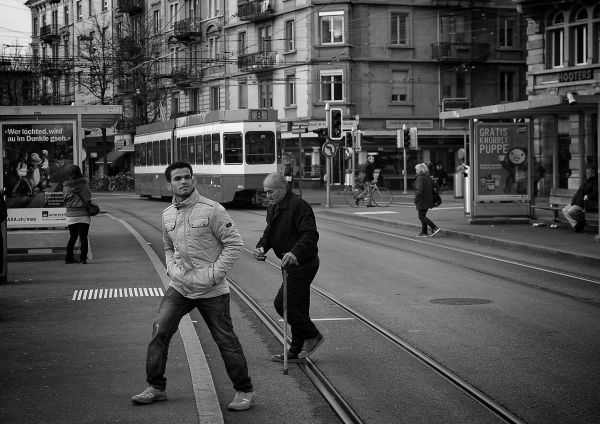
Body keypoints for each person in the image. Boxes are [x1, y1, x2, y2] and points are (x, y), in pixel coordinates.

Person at [131, 161, 254, 411]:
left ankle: (244, 391)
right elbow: (167, 246)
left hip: (211, 289)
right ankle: (156, 387)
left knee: (226, 341)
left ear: (193, 180)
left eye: (187, 177)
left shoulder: (212, 210)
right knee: (159, 331)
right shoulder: (167, 214)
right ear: (169, 184)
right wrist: (172, 270)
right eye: (177, 179)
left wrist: (213, 274)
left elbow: (234, 244)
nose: (183, 182)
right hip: (181, 286)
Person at [253, 173, 324, 362]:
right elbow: (269, 232)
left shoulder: (298, 206)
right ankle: (295, 350)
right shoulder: (273, 206)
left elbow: (310, 235)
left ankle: (312, 335)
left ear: (283, 189)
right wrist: (262, 247)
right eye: (265, 191)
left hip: (302, 263)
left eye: (271, 191)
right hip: (288, 264)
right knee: (298, 306)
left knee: (282, 304)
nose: (267, 195)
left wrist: (295, 252)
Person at [63, 165, 92, 264]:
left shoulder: (66, 186)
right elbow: (88, 198)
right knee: (83, 237)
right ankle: (83, 259)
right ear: (79, 173)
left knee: (73, 236)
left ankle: (68, 258)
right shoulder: (84, 184)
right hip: (83, 213)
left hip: (70, 214)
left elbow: (65, 199)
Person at [561, 166, 598, 233]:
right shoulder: (586, 181)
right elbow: (579, 192)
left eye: (588, 173)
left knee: (570, 211)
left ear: (593, 173)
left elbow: (595, 193)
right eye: (586, 173)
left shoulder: (595, 182)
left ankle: (581, 220)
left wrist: (587, 196)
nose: (586, 174)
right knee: (564, 210)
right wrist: (574, 200)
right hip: (577, 202)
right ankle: (576, 225)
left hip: (584, 203)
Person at [414, 162, 441, 238]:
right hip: (428, 199)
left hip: (422, 199)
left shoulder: (419, 177)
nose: (415, 171)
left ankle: (434, 227)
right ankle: (424, 231)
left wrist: (416, 198)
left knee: (421, 216)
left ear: (419, 170)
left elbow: (419, 189)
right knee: (423, 215)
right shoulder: (427, 177)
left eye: (416, 169)